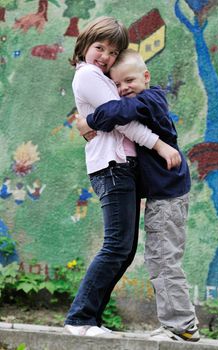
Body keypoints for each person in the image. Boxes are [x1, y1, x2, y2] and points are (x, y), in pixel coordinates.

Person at [64, 17, 181, 337]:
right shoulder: (88, 74)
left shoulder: (99, 76)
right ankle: (80, 319)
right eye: (99, 47)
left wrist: (89, 123)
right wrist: (159, 145)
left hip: (120, 166)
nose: (104, 56)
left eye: (113, 53)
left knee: (124, 249)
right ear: (85, 45)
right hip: (112, 166)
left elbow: (112, 115)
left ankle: (89, 318)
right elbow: (123, 120)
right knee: (117, 246)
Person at [78, 49, 200, 342]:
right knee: (160, 258)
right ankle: (177, 324)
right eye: (117, 85)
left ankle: (181, 326)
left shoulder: (150, 100)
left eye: (129, 80)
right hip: (165, 195)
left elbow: (119, 112)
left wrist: (90, 120)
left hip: (169, 195)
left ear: (146, 76)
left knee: (163, 259)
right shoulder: (142, 99)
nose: (123, 89)